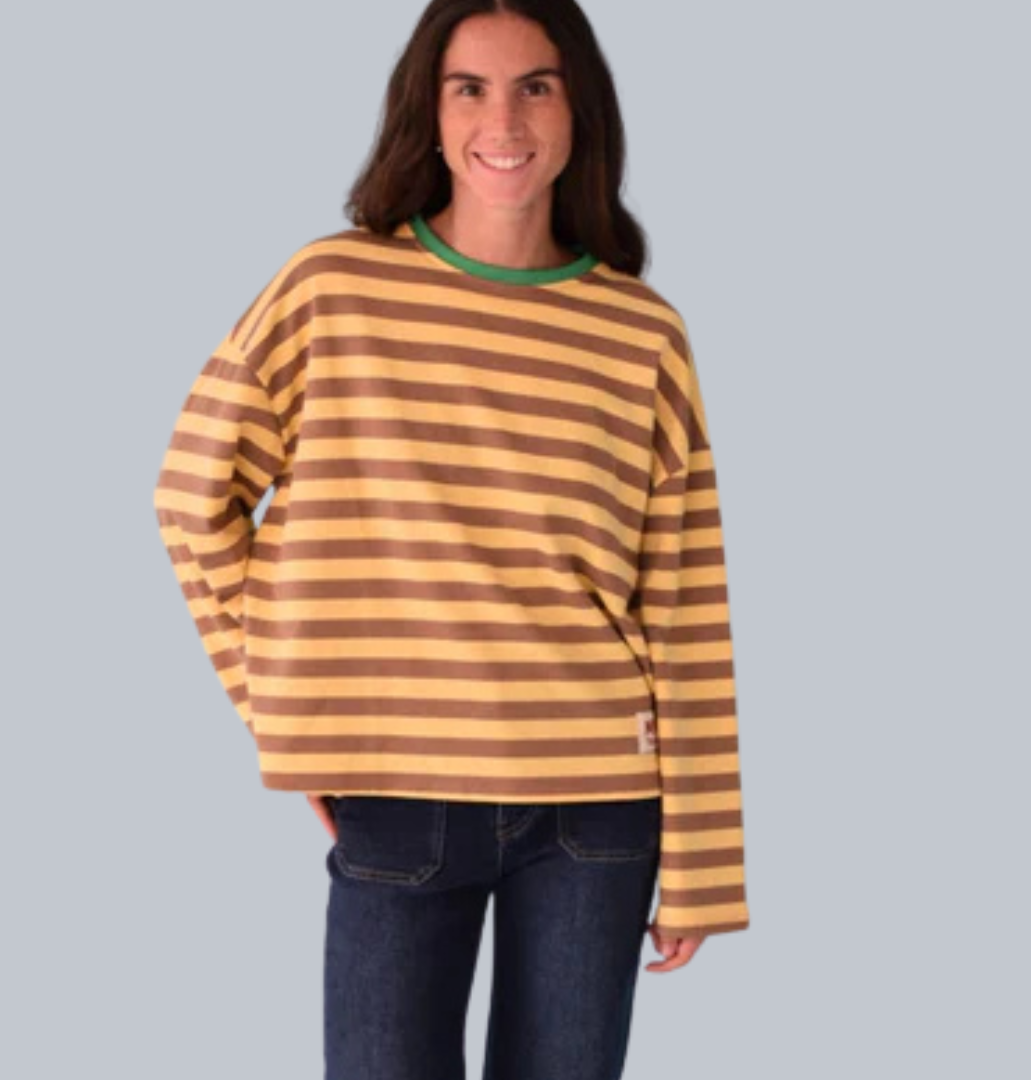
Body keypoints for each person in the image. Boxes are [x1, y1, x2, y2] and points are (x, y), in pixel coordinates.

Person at [152, 1, 749, 1076]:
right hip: (397, 787)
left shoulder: (641, 332)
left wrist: (704, 864)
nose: (503, 120)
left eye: (536, 86)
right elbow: (191, 497)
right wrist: (287, 716)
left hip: (597, 808)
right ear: (427, 113)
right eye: (469, 87)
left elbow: (686, 600)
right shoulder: (331, 289)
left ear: (579, 111)